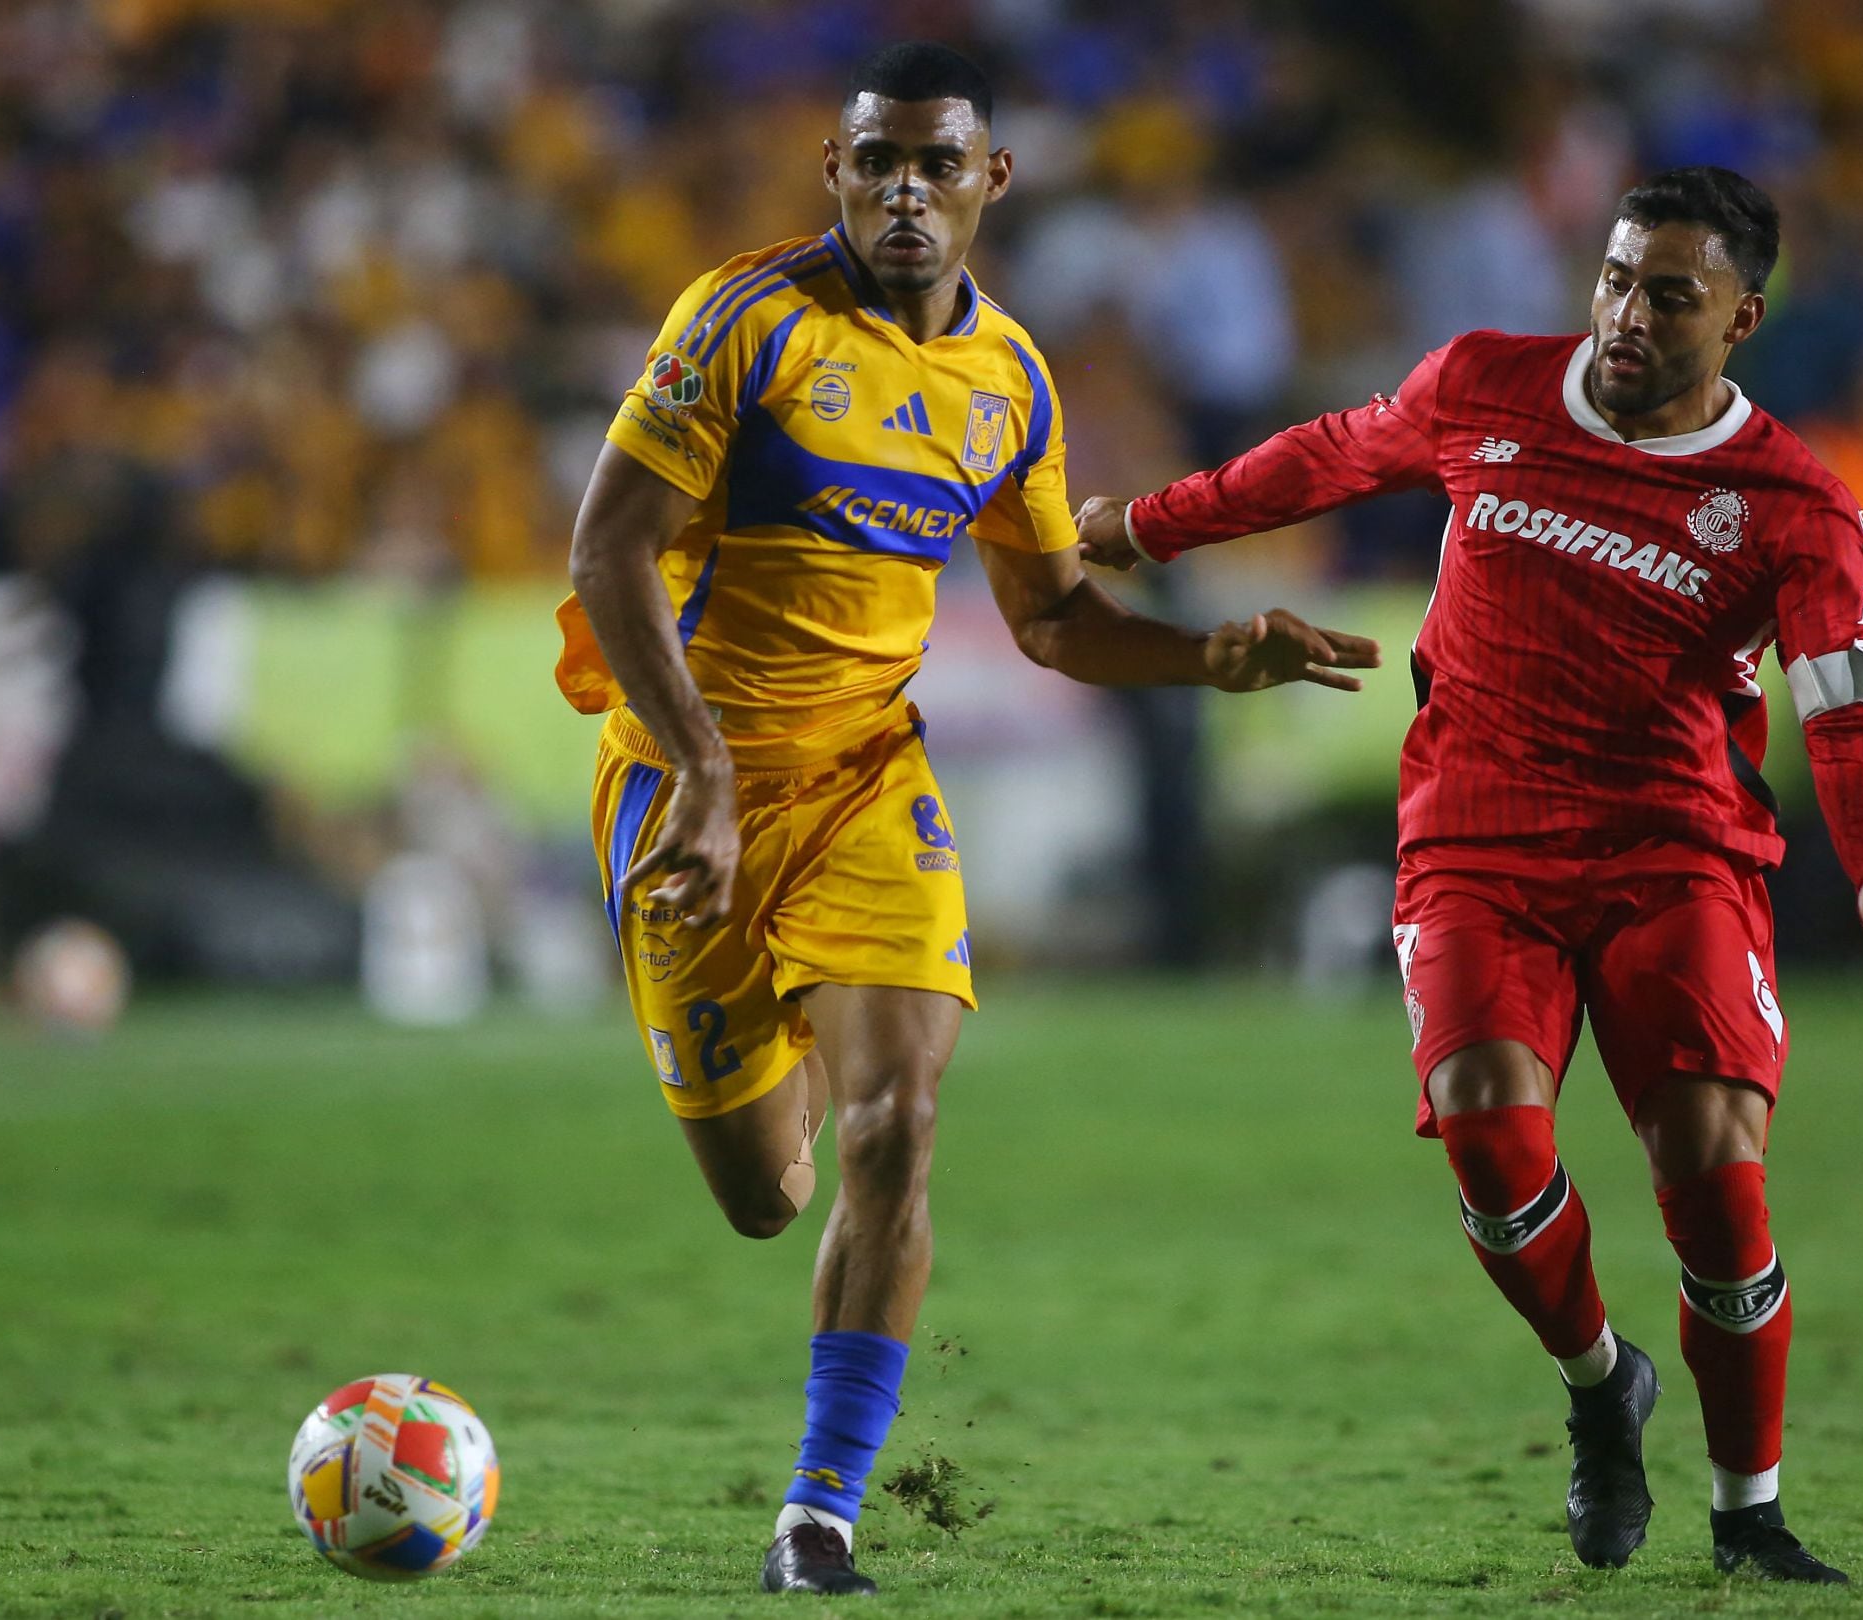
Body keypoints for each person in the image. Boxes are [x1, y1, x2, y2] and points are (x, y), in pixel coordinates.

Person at [555, 43, 1376, 1597]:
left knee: (899, 1127)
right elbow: (608, 551)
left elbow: (1053, 616)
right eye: (877, 162)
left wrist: (1207, 656)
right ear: (836, 174)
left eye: (939, 163)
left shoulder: (1012, 382)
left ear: (994, 180)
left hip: (869, 777)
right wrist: (709, 779)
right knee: (760, 1196)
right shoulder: (743, 323)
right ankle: (790, 1012)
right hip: (686, 784)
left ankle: (818, 1514)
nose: (906, 192)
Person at [1078, 166, 1863, 1585]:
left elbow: (1845, 706)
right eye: (1613, 276)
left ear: (1741, 320)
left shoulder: (1790, 503)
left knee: (1716, 1184)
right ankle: (1601, 1383)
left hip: (1676, 851)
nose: (1625, 313)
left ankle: (1749, 1516)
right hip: (1475, 832)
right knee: (1489, 1141)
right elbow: (1323, 456)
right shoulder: (1484, 382)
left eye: (1671, 295)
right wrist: (1146, 526)